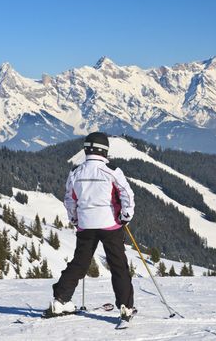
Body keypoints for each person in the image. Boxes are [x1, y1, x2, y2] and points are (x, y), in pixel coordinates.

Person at [50, 132, 136, 321]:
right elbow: (126, 195)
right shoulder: (112, 170)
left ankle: (60, 300)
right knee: (118, 265)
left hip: (86, 225)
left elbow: (69, 199)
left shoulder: (75, 172)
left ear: (86, 149)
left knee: (79, 263)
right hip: (110, 224)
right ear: (105, 150)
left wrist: (74, 219)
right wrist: (125, 216)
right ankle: (125, 306)